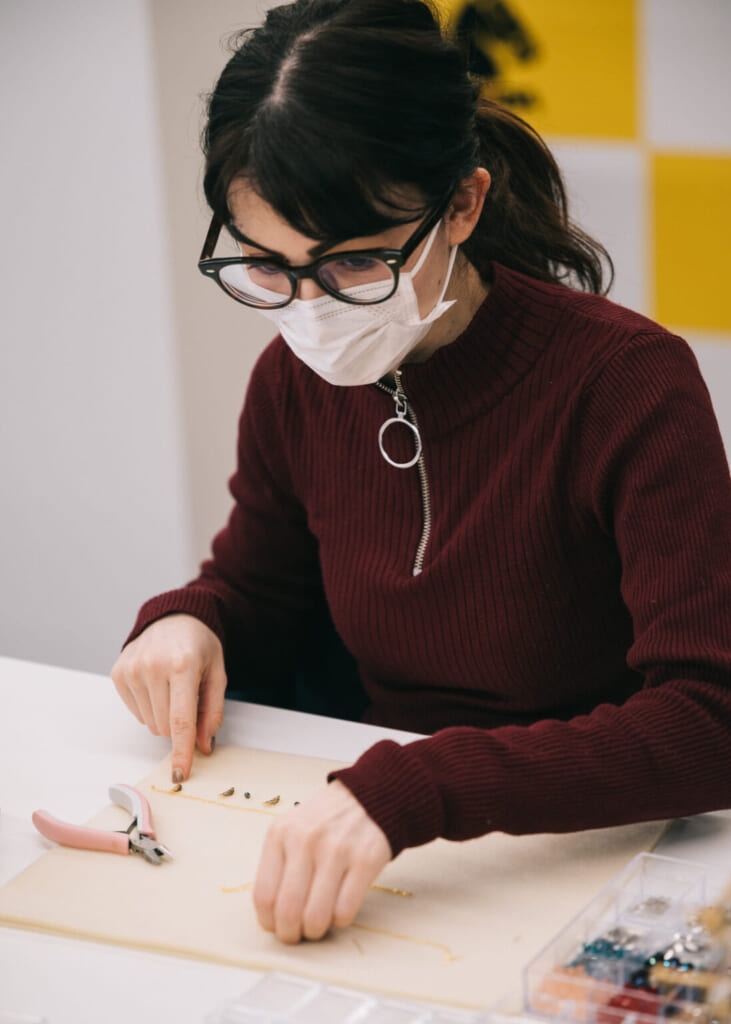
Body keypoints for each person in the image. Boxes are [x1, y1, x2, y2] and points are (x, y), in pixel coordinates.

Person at [111, 0, 731, 947]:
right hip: (371, 831)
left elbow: (708, 720)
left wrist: (418, 786)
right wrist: (192, 620)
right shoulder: (293, 379)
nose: (311, 311)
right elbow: (263, 592)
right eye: (268, 268)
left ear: (463, 206)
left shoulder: (624, 384)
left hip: (584, 853)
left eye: (356, 264)